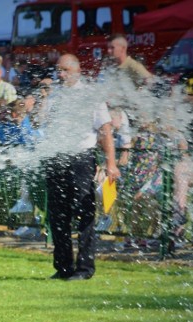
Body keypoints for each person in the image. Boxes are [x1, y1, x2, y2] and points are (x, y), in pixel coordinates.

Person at [45, 54, 119, 280]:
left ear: (77, 71)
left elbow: (105, 130)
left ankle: (85, 268)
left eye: (65, 70)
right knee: (58, 215)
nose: (61, 74)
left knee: (84, 213)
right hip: (57, 158)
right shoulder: (55, 95)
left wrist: (111, 163)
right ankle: (63, 267)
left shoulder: (90, 95)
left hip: (81, 159)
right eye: (59, 70)